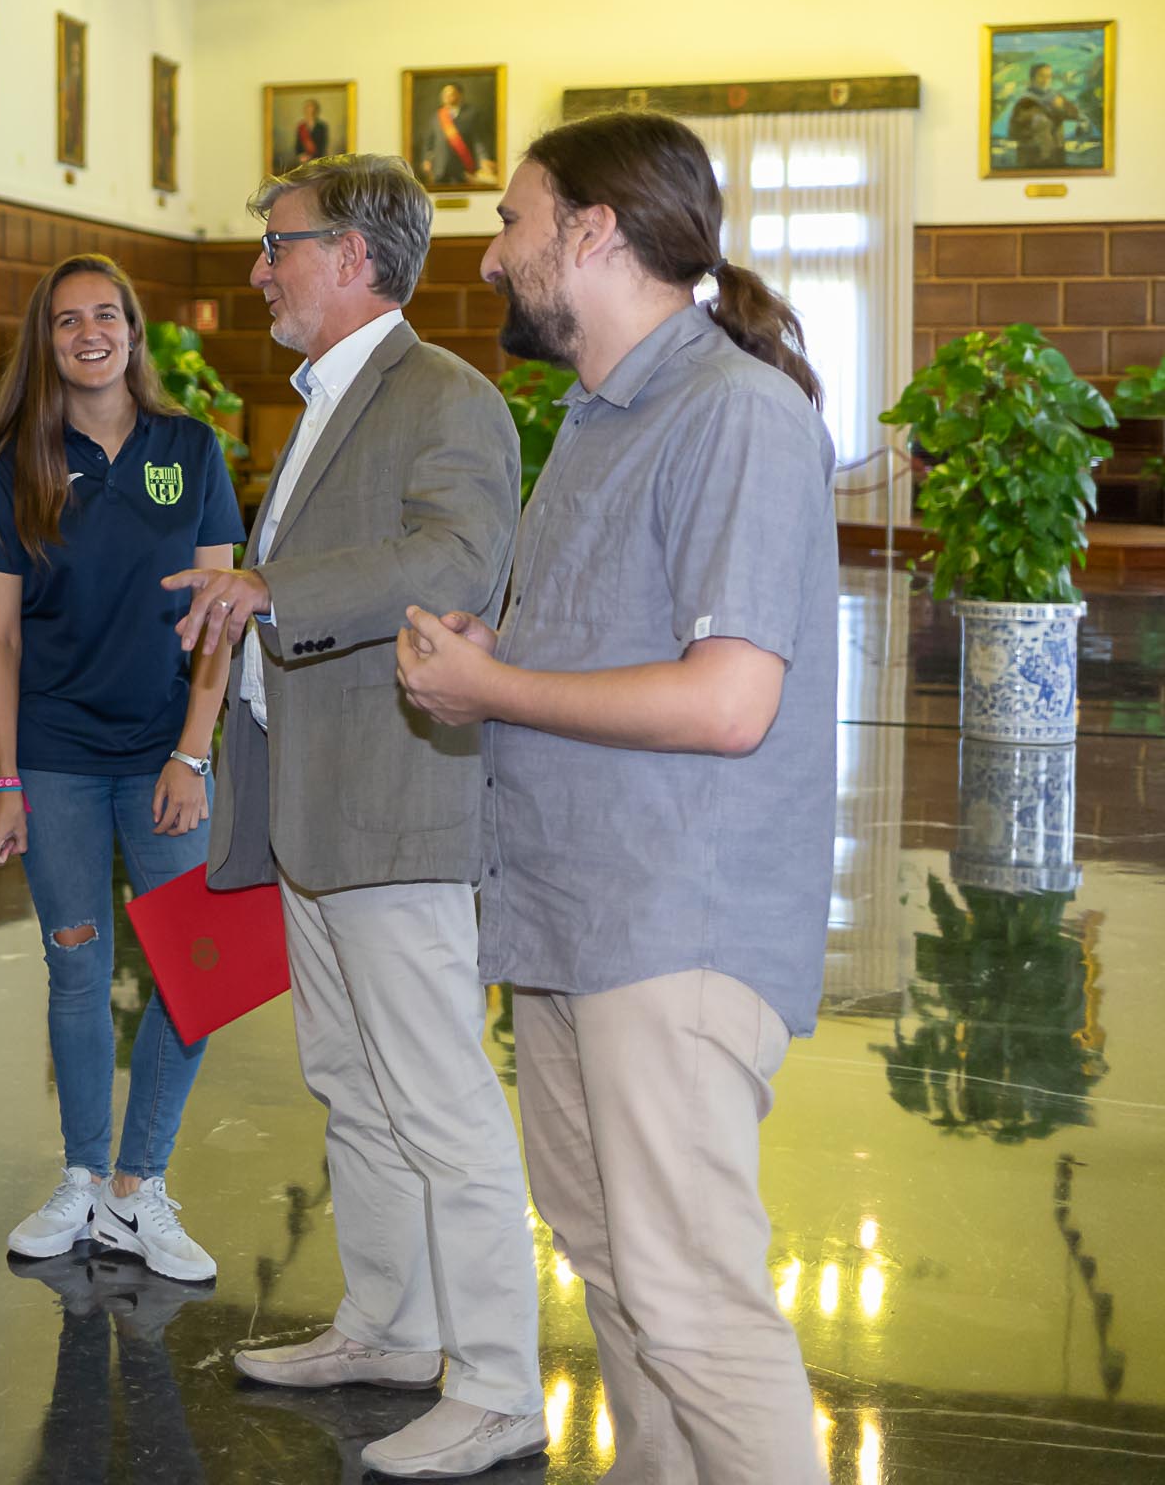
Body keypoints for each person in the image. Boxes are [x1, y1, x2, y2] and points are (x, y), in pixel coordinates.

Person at [398, 111, 838, 1485]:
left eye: (513, 222)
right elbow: (615, 652)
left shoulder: (736, 415)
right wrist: (498, 650)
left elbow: (726, 699)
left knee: (694, 1304)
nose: (490, 257)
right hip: (576, 923)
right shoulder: (596, 420)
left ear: (592, 234)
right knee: (622, 1286)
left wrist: (494, 692)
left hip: (673, 931)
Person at [168, 155, 539, 1480]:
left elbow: (454, 562)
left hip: (394, 800)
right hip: (315, 807)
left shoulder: (444, 397)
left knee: (439, 1100)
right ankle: (390, 1328)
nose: (261, 267)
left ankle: (499, 1383)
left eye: (279, 245)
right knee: (354, 1090)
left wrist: (275, 586)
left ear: (355, 256)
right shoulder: (328, 396)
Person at [0, 256, 241, 1286]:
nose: (91, 331)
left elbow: (220, 615)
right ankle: (82, 1175)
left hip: (167, 752)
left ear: (134, 328)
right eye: (70, 318)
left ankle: (138, 1187)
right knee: (76, 960)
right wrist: (4, 780)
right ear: (47, 338)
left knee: (193, 970)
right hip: (59, 757)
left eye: (108, 313)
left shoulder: (190, 446)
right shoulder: (13, 461)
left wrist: (192, 751)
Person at [1003, 60, 1086, 170]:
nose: (1046, 80)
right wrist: (1034, 124)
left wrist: (1062, 107)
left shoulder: (1056, 97)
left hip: (1056, 154)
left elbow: (1075, 114)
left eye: (1049, 76)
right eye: (1041, 76)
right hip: (1032, 157)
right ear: (1032, 78)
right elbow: (1013, 133)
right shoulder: (1024, 102)